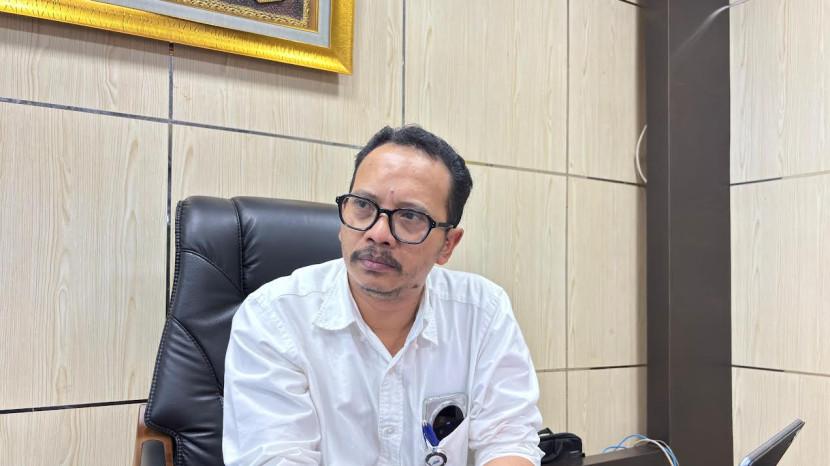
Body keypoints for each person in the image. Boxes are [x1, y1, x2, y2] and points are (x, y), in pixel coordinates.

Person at [222, 125, 544, 466]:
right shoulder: (274, 316)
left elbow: (509, 440)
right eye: (363, 205)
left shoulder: (482, 311)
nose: (378, 233)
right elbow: (276, 457)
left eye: (410, 216)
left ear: (448, 244)